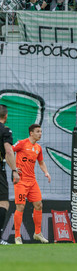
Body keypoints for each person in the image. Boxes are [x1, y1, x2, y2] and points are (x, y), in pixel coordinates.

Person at [12, 124, 51, 244]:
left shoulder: (38, 148)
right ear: (31, 133)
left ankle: (37, 233)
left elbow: (41, 162)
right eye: (38, 131)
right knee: (21, 207)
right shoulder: (21, 143)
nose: (40, 133)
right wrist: (14, 168)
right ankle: (17, 236)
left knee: (39, 205)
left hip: (32, 181)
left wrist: (46, 172)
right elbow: (9, 152)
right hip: (21, 181)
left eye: (41, 131)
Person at [0, 105, 20, 245]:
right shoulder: (5, 130)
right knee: (3, 202)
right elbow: (8, 151)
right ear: (6, 116)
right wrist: (14, 170)